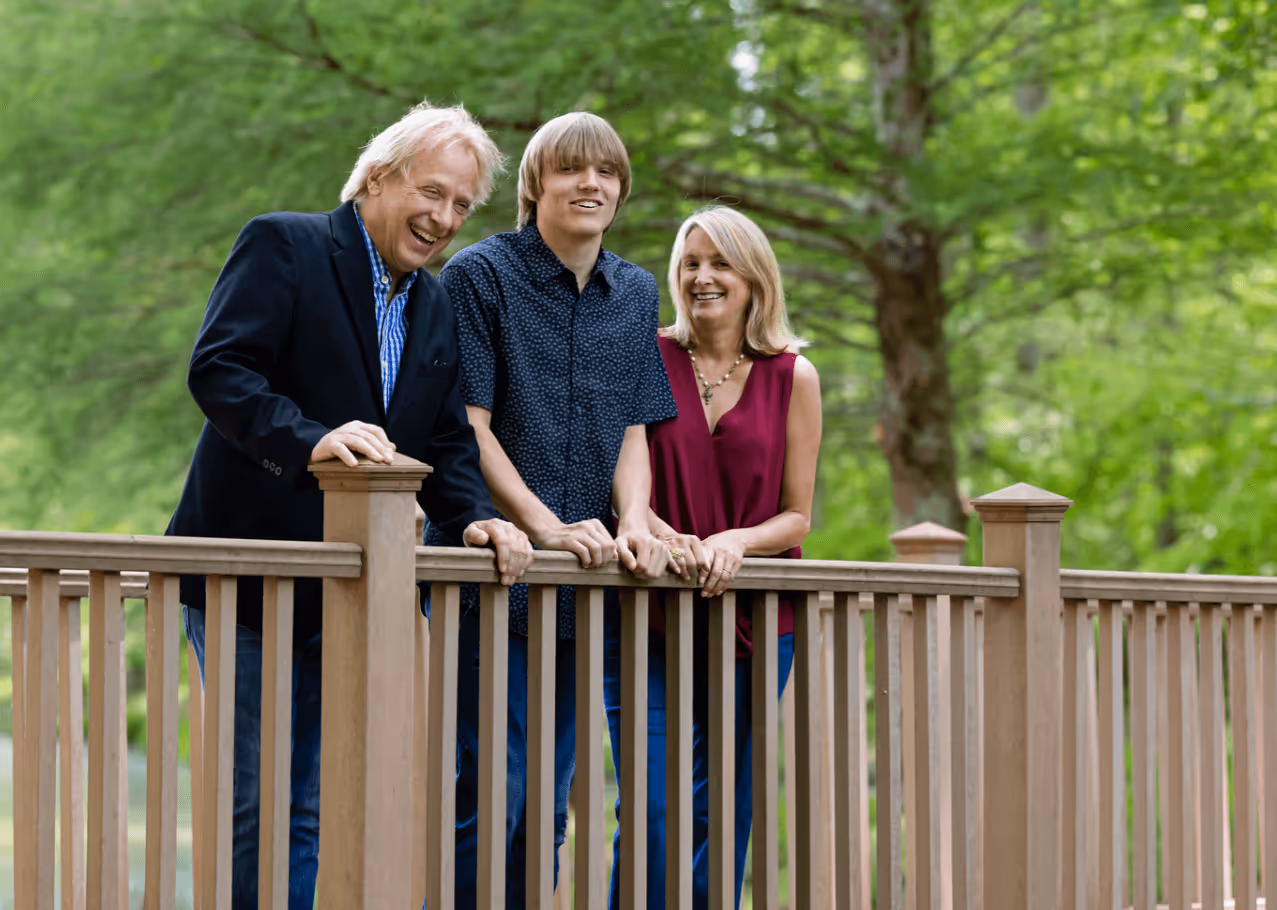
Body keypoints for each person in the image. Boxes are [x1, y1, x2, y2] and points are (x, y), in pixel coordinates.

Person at [166, 101, 533, 910]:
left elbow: (443, 445)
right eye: (430, 192)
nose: (442, 218)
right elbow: (221, 372)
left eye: (460, 206)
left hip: (344, 599)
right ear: (377, 176)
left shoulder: (433, 303)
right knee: (256, 802)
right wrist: (311, 441)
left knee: (307, 806)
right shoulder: (285, 245)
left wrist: (472, 514)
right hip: (246, 582)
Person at [430, 111, 676, 907]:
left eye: (606, 172)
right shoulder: (478, 275)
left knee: (545, 804)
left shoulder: (636, 292)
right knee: (487, 793)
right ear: (535, 184)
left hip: (581, 591)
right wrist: (540, 524)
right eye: (571, 170)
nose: (591, 184)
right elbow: (466, 425)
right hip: (490, 580)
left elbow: (634, 428)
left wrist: (634, 519)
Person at [602, 205, 822, 908]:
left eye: (719, 263)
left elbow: (797, 513)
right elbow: (618, 478)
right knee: (654, 811)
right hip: (649, 616)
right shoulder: (642, 354)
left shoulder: (795, 375)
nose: (703, 277)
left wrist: (733, 541)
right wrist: (665, 536)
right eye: (691, 263)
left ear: (753, 276)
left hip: (758, 625)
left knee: (723, 813)